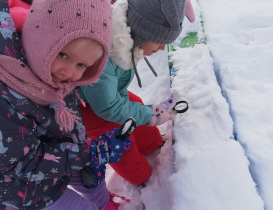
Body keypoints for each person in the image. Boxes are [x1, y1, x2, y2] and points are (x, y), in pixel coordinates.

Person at [0, 0, 131, 209]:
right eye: (63, 55)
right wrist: (88, 153)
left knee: (93, 181)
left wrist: (89, 153)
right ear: (38, 38)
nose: (69, 73)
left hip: (61, 157)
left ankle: (107, 205)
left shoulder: (52, 73)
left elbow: (64, 120)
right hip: (25, 191)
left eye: (82, 65)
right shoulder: (5, 97)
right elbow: (22, 163)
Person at [77, 0, 195, 186]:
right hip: (88, 108)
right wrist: (151, 114)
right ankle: (143, 179)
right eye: (160, 41)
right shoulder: (102, 54)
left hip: (108, 97)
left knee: (135, 105)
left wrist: (149, 115)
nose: (163, 48)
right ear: (143, 33)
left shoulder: (126, 36)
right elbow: (108, 107)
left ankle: (153, 144)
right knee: (120, 141)